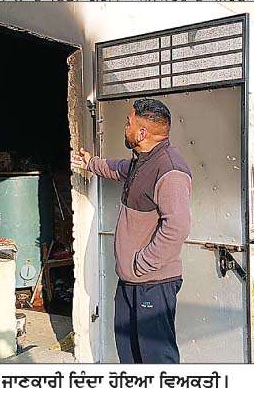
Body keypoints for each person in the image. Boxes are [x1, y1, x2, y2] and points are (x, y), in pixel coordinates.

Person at [71, 98, 192, 363]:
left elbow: (177, 226)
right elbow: (118, 169)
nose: (125, 127)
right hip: (131, 282)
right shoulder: (143, 161)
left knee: (156, 359)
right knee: (130, 355)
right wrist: (91, 163)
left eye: (129, 123)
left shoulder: (170, 170)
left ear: (142, 132)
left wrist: (142, 264)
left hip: (153, 283)